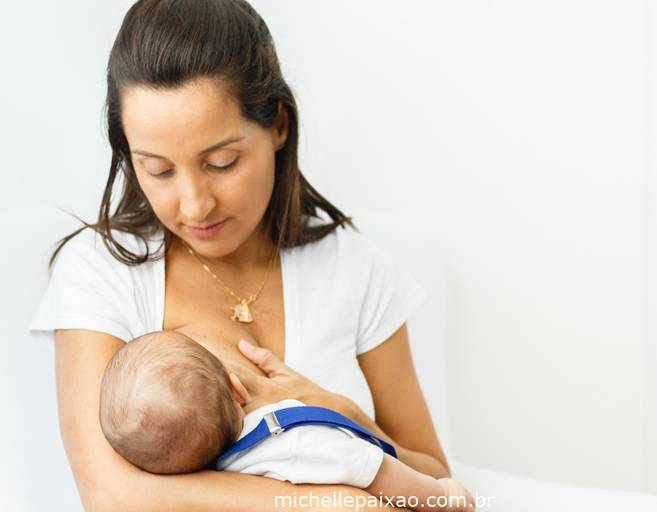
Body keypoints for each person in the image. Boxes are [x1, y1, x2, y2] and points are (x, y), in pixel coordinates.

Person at [28, 0, 459, 510]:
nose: (194, 203)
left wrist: (343, 414)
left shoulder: (355, 269)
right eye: (158, 170)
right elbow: (112, 493)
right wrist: (343, 501)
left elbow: (436, 480)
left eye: (221, 162)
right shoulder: (101, 272)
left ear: (277, 125)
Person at [98, 330, 474, 512]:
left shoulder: (224, 481)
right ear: (237, 387)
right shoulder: (296, 443)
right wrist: (443, 497)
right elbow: (374, 469)